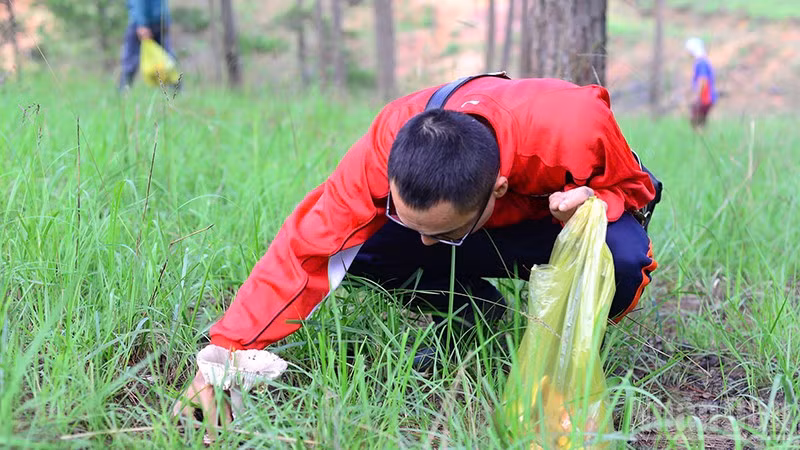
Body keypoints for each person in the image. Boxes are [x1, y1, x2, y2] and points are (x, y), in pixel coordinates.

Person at [173, 75, 659, 424]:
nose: (425, 245)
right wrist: (226, 355)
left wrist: (594, 200)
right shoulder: (387, 143)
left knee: (624, 259)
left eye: (441, 233)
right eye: (412, 223)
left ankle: (566, 335)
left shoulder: (573, 126)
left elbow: (637, 191)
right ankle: (471, 311)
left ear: (499, 188)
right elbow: (306, 249)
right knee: (359, 249)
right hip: (477, 227)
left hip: (543, 230)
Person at [118, 0, 174, 91]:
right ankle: (177, 90)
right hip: (160, 19)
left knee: (130, 58)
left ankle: (123, 90)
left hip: (145, 22)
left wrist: (141, 24)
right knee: (168, 55)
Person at [685, 37, 717, 129]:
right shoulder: (703, 62)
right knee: (700, 123)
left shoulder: (701, 63)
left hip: (705, 98)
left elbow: (703, 80)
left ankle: (700, 141)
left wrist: (697, 97)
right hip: (706, 98)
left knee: (697, 123)